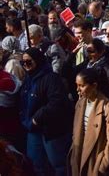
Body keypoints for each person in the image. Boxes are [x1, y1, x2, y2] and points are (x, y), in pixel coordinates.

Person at [19, 47, 72, 176]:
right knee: (36, 164)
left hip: (51, 130)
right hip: (33, 129)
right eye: (23, 63)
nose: (26, 65)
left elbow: (56, 102)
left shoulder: (51, 78)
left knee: (58, 165)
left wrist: (37, 117)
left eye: (29, 62)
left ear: (38, 60)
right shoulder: (27, 80)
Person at [68, 68, 109, 176]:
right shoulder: (79, 104)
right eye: (77, 85)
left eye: (82, 86)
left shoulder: (107, 107)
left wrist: (102, 165)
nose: (78, 90)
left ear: (94, 86)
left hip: (95, 162)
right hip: (79, 157)